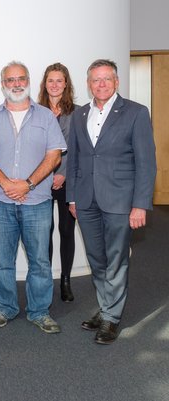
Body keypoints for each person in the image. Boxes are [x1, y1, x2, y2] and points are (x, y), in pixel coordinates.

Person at [66, 59, 156, 345]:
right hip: (86, 199)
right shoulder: (80, 115)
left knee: (116, 260)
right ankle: (106, 307)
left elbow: (146, 162)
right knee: (97, 258)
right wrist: (71, 197)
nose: (101, 84)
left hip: (120, 199)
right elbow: (75, 160)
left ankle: (112, 318)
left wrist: (140, 204)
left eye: (107, 79)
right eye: (95, 79)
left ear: (116, 82)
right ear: (88, 83)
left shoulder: (136, 113)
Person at [0, 61, 66, 334]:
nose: (16, 84)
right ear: (3, 84)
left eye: (21, 78)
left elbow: (54, 155)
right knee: (2, 259)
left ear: (28, 80)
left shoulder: (46, 116)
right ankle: (6, 307)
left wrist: (26, 184)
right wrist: (6, 184)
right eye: (10, 79)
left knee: (39, 260)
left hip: (36, 200)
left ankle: (39, 311)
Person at [37, 62, 77, 302]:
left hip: (68, 180)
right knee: (44, 232)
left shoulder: (78, 112)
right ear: (45, 84)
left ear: (66, 84)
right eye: (50, 80)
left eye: (59, 80)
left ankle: (65, 280)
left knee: (66, 231)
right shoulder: (35, 111)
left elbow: (79, 148)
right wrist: (47, 175)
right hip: (41, 181)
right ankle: (46, 281)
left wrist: (63, 174)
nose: (54, 85)